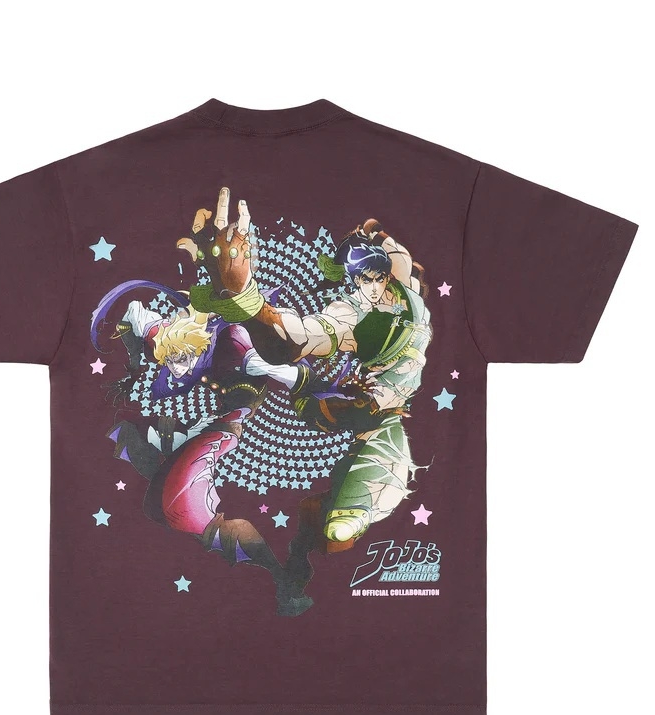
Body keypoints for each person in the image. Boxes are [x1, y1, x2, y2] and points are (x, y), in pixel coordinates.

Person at [177, 188, 433, 597]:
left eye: (377, 276)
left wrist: (372, 231)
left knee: (337, 523)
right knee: (343, 519)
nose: (372, 286)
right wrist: (244, 294)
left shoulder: (402, 278)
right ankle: (301, 560)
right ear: (353, 279)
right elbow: (298, 334)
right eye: (362, 279)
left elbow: (390, 249)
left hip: (383, 420)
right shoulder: (350, 313)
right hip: (367, 410)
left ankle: (301, 557)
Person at [91, 286, 315, 616]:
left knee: (182, 511)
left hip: (222, 428)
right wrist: (135, 365)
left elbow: (282, 371)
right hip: (203, 427)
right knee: (130, 434)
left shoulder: (235, 343)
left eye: (182, 360)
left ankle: (284, 585)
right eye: (169, 360)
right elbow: (134, 312)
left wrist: (310, 384)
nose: (175, 368)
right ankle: (282, 582)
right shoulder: (168, 337)